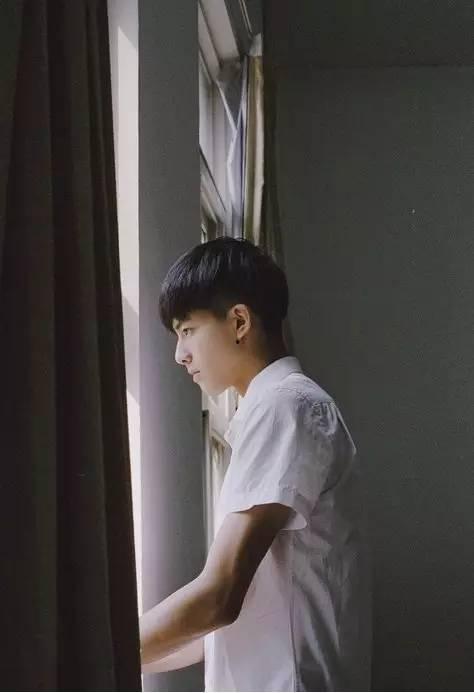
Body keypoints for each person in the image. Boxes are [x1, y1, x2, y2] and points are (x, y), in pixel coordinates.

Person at [139, 237, 372, 691]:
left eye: (188, 330)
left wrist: (100, 649)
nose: (179, 354)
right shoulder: (279, 410)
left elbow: (220, 597)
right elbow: (216, 630)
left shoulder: (285, 407)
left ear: (239, 322)